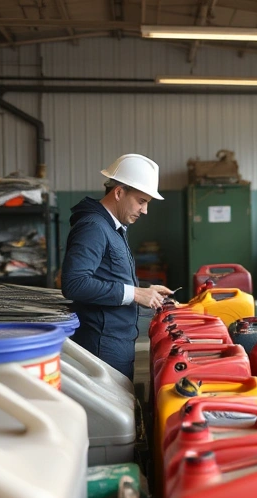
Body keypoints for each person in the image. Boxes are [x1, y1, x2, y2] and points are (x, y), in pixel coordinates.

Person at [62, 153, 172, 381]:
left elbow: (107, 275)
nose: (145, 210)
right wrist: (134, 293)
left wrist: (145, 291)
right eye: (141, 201)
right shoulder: (93, 227)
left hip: (116, 340)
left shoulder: (114, 226)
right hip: (103, 345)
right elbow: (75, 283)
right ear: (119, 192)